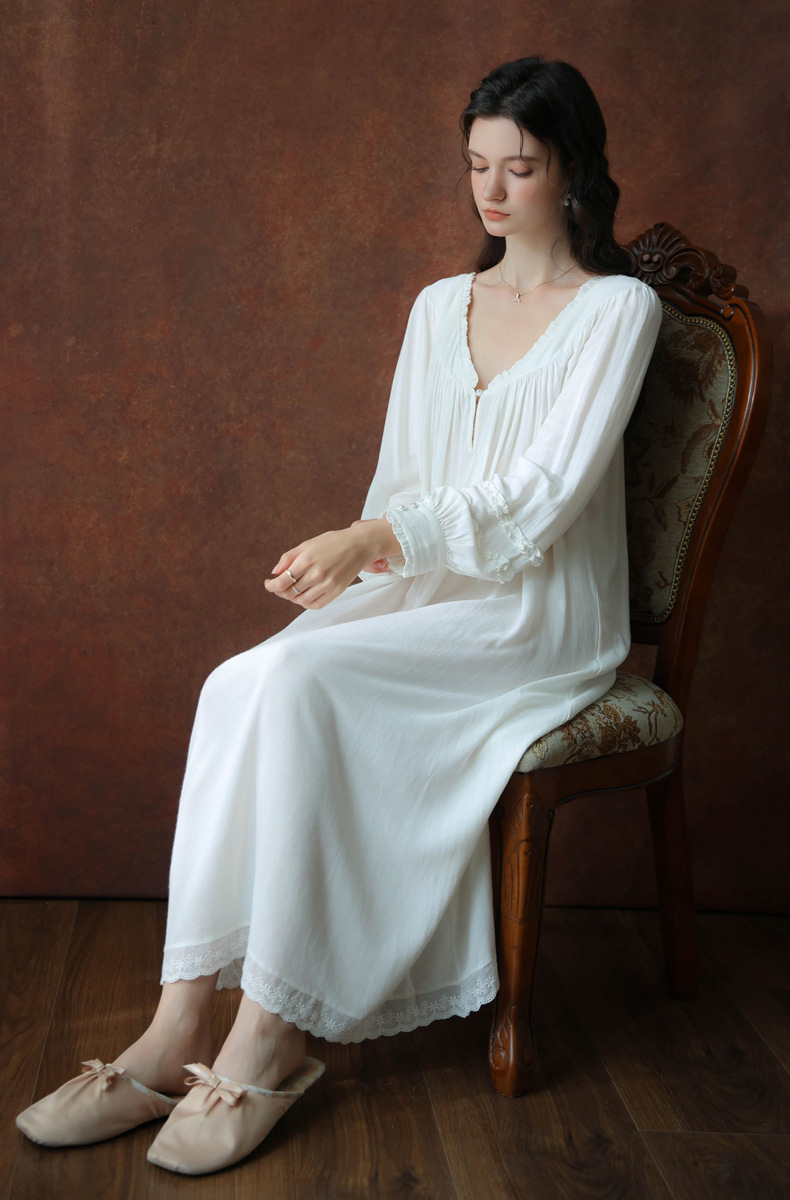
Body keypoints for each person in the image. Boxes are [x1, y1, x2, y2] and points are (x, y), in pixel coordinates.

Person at [16, 55, 662, 1175]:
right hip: (425, 583)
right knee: (240, 680)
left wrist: (374, 540)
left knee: (308, 684)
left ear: (573, 171)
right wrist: (361, 569)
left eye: (519, 167)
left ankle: (272, 1036)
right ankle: (175, 1029)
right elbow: (403, 481)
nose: (491, 190)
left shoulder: (619, 310)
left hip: (539, 612)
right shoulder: (437, 307)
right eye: (475, 164)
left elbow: (546, 495)